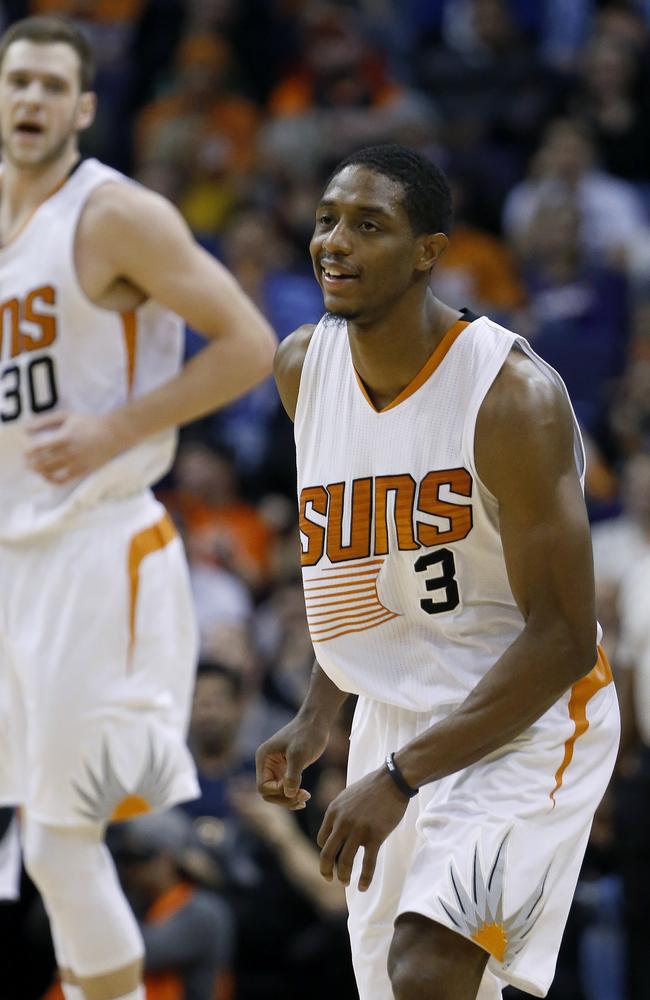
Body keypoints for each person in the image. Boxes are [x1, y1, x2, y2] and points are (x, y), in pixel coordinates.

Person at [256, 143, 620, 1000]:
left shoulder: (510, 397)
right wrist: (321, 713)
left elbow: (565, 639)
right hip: (395, 718)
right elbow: (362, 569)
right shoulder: (302, 369)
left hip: (527, 720)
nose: (335, 243)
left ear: (429, 251)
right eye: (327, 220)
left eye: (368, 225)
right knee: (393, 986)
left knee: (428, 974)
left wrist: (398, 777)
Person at [0, 15, 275, 1000]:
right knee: (40, 847)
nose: (28, 100)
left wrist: (117, 430)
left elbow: (247, 343)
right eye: (14, 80)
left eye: (49, 86)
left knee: (66, 836)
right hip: (12, 556)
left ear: (80, 106)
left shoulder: (112, 215)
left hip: (94, 542)